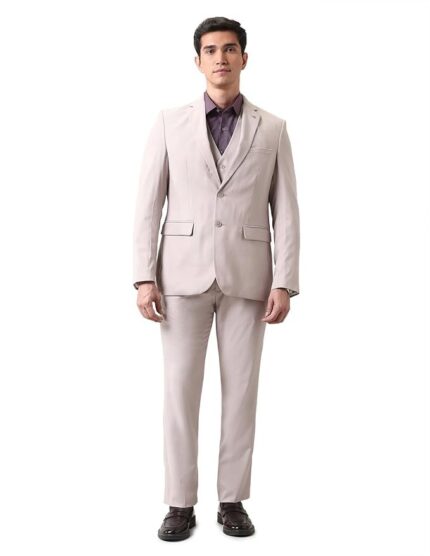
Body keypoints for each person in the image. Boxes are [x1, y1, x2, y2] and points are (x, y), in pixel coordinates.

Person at [132, 16, 300, 541]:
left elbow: (286, 211)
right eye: (210, 50)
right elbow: (148, 203)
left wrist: (285, 280)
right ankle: (179, 503)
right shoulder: (168, 123)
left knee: (242, 392)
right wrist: (143, 277)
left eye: (230, 49)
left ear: (244, 58)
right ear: (198, 60)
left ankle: (232, 500)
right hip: (180, 277)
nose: (221, 58)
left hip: (249, 279)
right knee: (179, 393)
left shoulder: (273, 128)